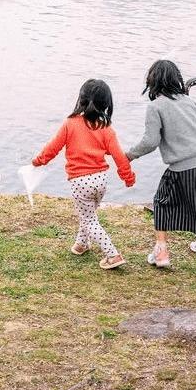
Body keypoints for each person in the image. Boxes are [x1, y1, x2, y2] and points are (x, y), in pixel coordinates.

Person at [127, 60, 196, 269]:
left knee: (161, 202)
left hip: (181, 165)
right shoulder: (189, 101)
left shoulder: (155, 107)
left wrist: (130, 155)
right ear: (176, 78)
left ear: (152, 82)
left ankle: (161, 251)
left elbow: (150, 141)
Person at [32, 79, 134, 270]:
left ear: (81, 99)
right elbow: (119, 156)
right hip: (101, 180)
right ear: (106, 104)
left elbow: (53, 148)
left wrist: (38, 161)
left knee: (89, 219)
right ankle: (81, 244)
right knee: (89, 214)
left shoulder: (70, 124)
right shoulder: (106, 129)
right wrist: (128, 177)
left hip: (80, 181)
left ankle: (113, 254)